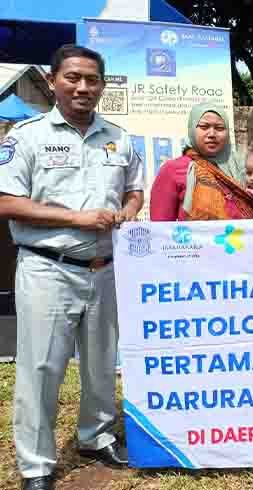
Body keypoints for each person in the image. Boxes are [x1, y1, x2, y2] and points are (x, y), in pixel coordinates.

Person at [0, 45, 143, 490]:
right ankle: (37, 465)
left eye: (92, 79)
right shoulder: (26, 137)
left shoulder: (119, 137)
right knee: (41, 368)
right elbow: (6, 202)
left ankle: (95, 437)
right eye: (73, 77)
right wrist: (77, 219)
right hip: (49, 269)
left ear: (102, 85)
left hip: (105, 269)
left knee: (101, 363)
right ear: (52, 80)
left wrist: (129, 210)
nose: (83, 87)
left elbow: (135, 189)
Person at [149, 102, 253, 221]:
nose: (212, 134)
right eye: (204, 127)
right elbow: (161, 226)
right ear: (192, 129)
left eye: (219, 128)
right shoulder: (172, 170)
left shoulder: (243, 167)